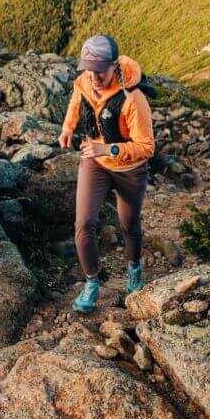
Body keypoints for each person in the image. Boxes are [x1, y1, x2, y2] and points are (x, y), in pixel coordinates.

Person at [58, 34, 156, 314]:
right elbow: (76, 103)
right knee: (84, 223)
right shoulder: (84, 82)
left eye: (100, 70)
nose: (94, 76)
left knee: (129, 224)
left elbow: (147, 147)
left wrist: (108, 150)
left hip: (129, 169)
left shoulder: (133, 99)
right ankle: (91, 282)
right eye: (88, 69)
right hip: (95, 163)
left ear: (114, 66)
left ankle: (134, 268)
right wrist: (68, 128)